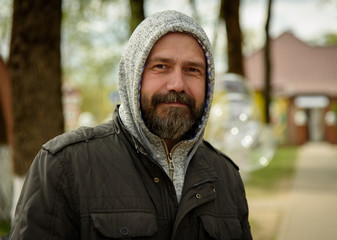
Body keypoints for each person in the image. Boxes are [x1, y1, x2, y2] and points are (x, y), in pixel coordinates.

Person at [10, 10, 252, 239]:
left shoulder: (226, 177)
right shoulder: (63, 165)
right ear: (132, 77)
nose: (177, 84)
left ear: (207, 85)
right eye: (161, 66)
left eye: (192, 69)